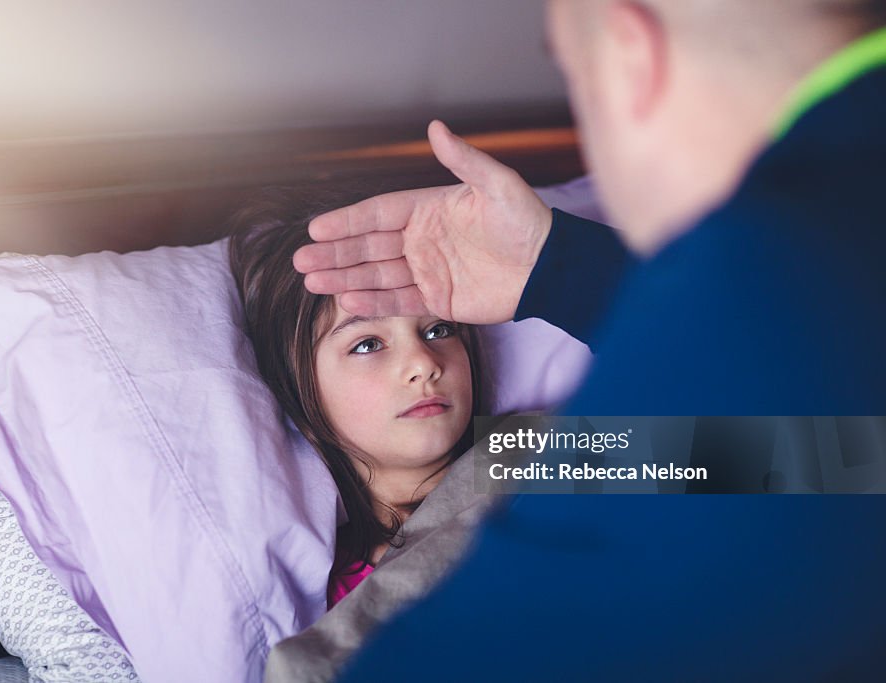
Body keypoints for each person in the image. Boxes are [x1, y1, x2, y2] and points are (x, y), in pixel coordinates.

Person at [292, 0, 886, 679]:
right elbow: (818, 459)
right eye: (367, 344)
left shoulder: (757, 278)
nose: (421, 362)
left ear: (630, 52)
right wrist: (558, 263)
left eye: (570, 75)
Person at [227, 196, 485, 607]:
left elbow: (628, 457)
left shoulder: (536, 443)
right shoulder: (339, 601)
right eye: (367, 344)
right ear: (299, 391)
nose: (423, 363)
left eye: (438, 330)